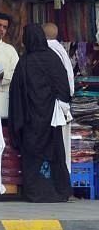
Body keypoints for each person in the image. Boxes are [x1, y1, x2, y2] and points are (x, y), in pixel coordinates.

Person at [9, 24, 72, 203]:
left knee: (33, 155)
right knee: (55, 152)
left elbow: (17, 93)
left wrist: (18, 120)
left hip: (31, 120)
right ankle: (58, 191)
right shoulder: (54, 59)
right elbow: (64, 87)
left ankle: (36, 192)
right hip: (51, 119)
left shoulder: (25, 61)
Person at [43, 23, 74, 172]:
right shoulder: (60, 49)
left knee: (55, 145)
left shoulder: (47, 51)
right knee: (63, 145)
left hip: (55, 104)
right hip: (64, 101)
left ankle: (57, 178)